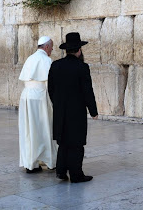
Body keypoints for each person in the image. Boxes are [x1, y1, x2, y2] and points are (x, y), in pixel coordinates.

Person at [48, 32, 98, 183]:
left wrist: (57, 103)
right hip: (76, 112)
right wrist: (93, 111)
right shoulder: (82, 67)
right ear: (79, 50)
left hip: (60, 111)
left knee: (63, 142)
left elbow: (51, 89)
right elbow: (87, 91)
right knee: (76, 144)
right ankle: (76, 175)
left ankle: (61, 172)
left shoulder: (55, 65)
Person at [18, 36, 58, 173]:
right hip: (40, 97)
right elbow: (51, 84)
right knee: (44, 128)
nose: (52, 50)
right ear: (46, 47)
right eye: (51, 47)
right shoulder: (46, 60)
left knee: (29, 130)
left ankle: (31, 163)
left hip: (26, 96)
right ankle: (49, 160)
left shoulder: (30, 58)